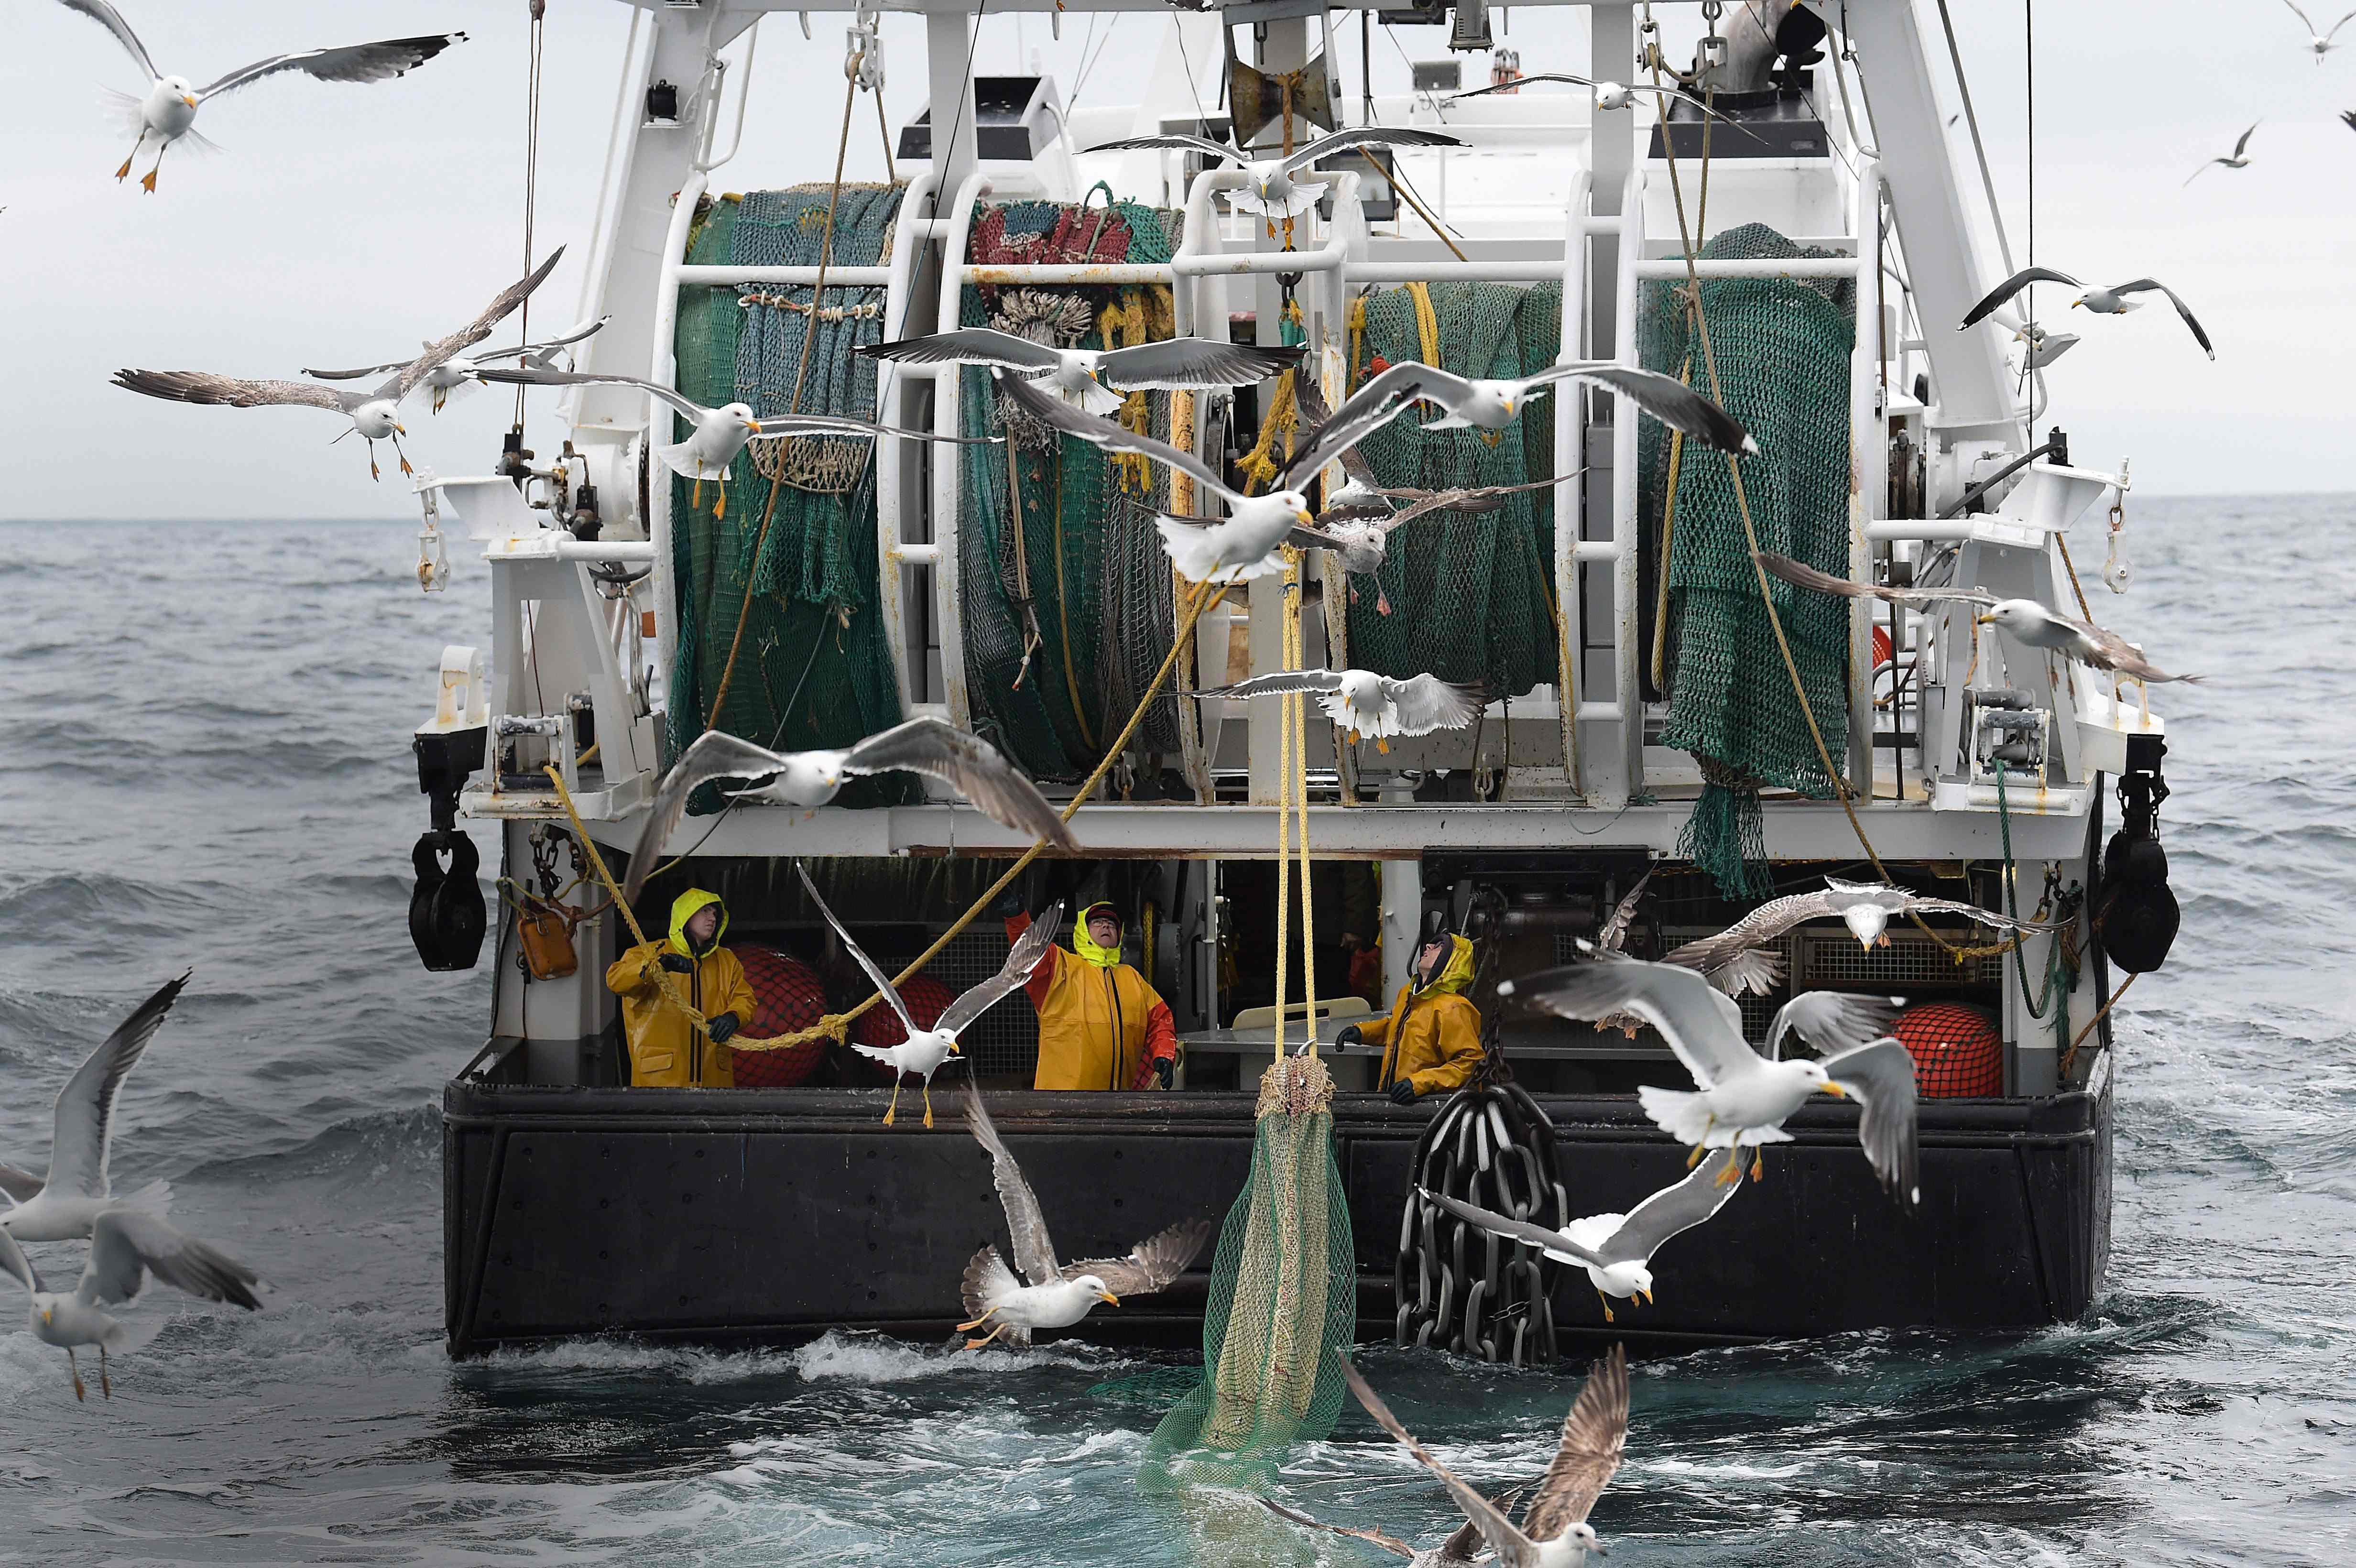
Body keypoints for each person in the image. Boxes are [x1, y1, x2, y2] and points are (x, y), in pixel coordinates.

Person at [997, 895, 1178, 1091]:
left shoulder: (1133, 979)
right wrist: (1017, 919)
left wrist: (1164, 1054)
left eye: (1111, 924)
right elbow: (1030, 951)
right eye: (1098, 922)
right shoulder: (1061, 967)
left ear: (1120, 934)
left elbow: (1160, 1020)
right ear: (1084, 931)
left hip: (1118, 1105)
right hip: (1061, 1106)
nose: (1106, 927)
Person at [605, 888, 754, 1087]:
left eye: (715, 913)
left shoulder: (727, 961)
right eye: (705, 911)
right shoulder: (649, 952)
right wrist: (657, 966)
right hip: (659, 1080)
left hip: (714, 1079)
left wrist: (734, 1017)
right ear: (685, 915)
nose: (712, 918)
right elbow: (616, 981)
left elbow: (745, 999)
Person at [1336, 931, 1482, 1104]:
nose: (1428, 946)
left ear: (1451, 963)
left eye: (1439, 947)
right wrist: (1362, 1032)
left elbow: (1469, 1063)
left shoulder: (1453, 1008)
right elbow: (1401, 1028)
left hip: (1431, 1108)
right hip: (1397, 1099)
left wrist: (1419, 1083)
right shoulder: (1409, 993)